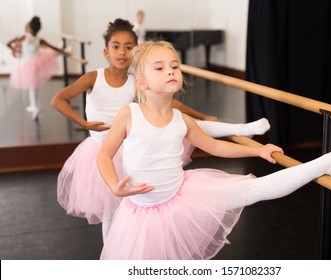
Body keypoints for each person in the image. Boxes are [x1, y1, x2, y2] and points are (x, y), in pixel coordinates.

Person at [96, 40, 331, 260]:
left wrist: (257, 151)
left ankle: (329, 160)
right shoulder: (128, 115)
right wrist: (113, 186)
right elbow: (104, 155)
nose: (170, 71)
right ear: (141, 83)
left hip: (182, 195)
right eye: (160, 67)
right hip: (141, 215)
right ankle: (328, 162)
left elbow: (216, 147)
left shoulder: (183, 121)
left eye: (174, 66)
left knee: (255, 190)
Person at [51, 19, 271, 242]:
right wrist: (84, 122)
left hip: (133, 144)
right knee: (111, 210)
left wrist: (201, 115)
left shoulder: (137, 81)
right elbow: (58, 100)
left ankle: (243, 128)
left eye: (129, 47)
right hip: (103, 146)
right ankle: (112, 251)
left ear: (135, 51)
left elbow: (170, 105)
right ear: (106, 51)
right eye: (116, 46)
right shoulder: (95, 77)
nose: (122, 52)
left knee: (188, 126)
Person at [7, 16, 71, 120]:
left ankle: (35, 108)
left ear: (30, 27)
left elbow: (9, 43)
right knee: (33, 86)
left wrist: (15, 50)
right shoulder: (39, 39)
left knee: (32, 87)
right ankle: (33, 106)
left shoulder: (25, 37)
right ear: (38, 29)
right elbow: (52, 47)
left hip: (29, 64)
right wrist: (63, 51)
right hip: (37, 62)